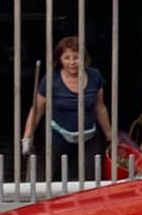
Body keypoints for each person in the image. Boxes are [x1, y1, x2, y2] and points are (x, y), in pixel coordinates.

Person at [21, 36, 116, 181]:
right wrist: (27, 137)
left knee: (90, 180)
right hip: (58, 137)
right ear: (59, 59)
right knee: (52, 179)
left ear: (83, 58)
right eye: (66, 58)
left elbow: (100, 108)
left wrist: (110, 136)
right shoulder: (50, 80)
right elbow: (37, 109)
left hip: (89, 137)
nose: (72, 62)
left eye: (76, 57)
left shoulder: (94, 76)